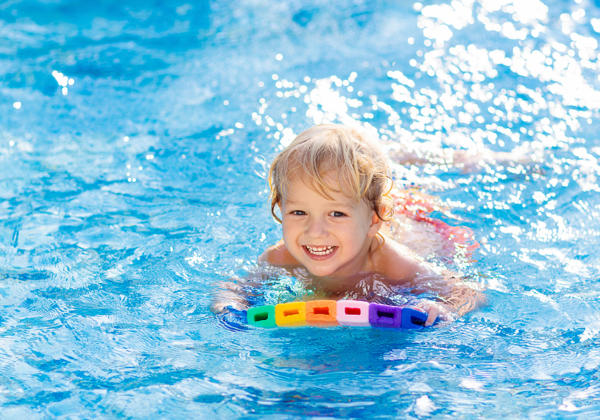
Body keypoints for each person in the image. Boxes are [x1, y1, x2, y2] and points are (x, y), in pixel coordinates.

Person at [254, 124, 485, 326]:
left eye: (336, 213)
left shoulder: (394, 264)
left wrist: (443, 307)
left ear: (374, 220)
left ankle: (468, 158)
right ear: (280, 208)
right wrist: (228, 305)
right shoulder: (280, 258)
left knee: (416, 192)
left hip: (413, 222)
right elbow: (233, 291)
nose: (315, 231)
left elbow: (467, 291)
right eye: (299, 212)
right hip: (371, 209)